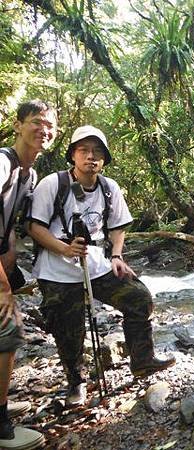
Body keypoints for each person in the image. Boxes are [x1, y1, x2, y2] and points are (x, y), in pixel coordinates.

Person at [28, 125, 175, 408]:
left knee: (139, 298)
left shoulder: (109, 188)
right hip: (56, 269)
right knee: (68, 328)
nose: (90, 157)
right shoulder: (52, 184)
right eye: (84, 150)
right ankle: (76, 384)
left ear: (104, 158)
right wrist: (64, 248)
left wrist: (117, 256)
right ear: (73, 155)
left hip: (96, 263)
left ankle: (142, 360)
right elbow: (34, 227)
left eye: (97, 152)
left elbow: (117, 226)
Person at [0, 100, 55, 449]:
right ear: (18, 125)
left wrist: (9, 248)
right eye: (36, 122)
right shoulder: (3, 163)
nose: (43, 129)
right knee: (9, 328)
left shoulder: (28, 173)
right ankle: (0, 422)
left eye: (49, 125)